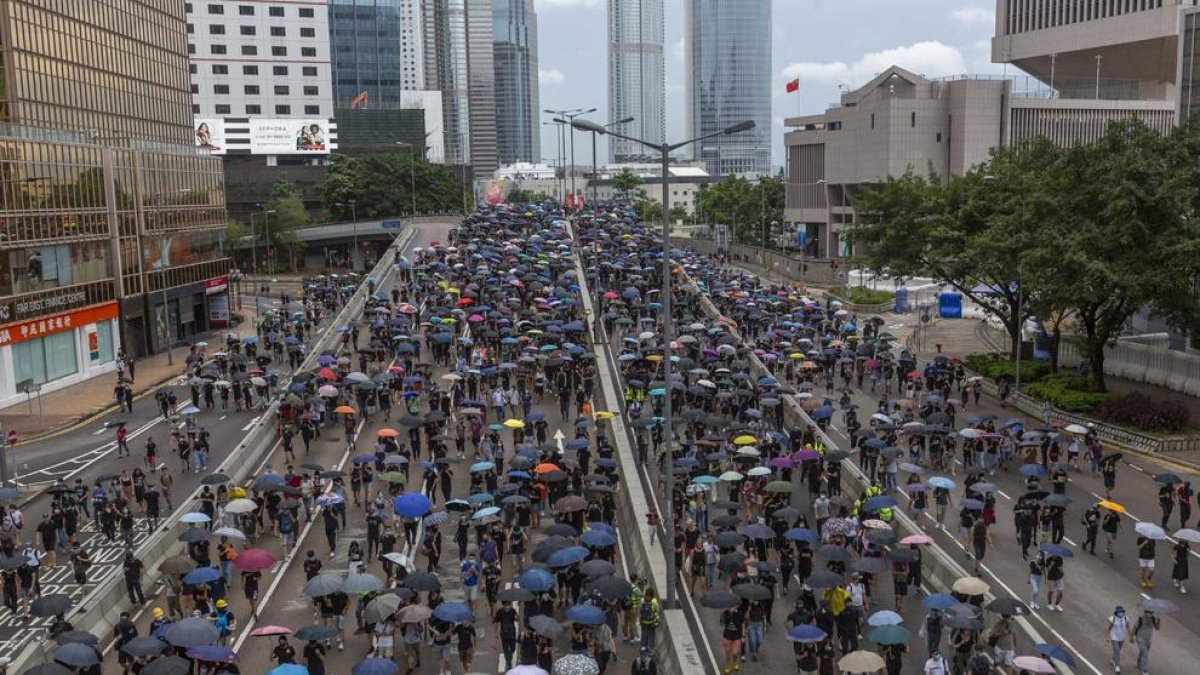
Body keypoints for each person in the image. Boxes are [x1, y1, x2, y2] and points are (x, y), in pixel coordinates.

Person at [719, 602, 745, 674]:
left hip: (736, 637)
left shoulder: (739, 614)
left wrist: (743, 636)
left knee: (735, 653)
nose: (732, 607)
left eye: (733, 606)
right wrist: (722, 618)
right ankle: (728, 666)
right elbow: (721, 624)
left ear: (736, 606)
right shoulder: (725, 613)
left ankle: (734, 662)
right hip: (727, 636)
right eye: (730, 606)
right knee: (727, 653)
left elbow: (742, 624)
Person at [1133, 607, 1159, 675]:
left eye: (1151, 612)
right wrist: (1131, 637)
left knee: (1142, 652)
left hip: (1148, 640)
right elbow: (1134, 627)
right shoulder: (1140, 619)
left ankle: (1138, 664)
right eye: (1148, 612)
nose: (1150, 614)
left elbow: (1157, 628)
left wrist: (1158, 622)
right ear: (1145, 612)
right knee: (1145, 654)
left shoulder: (1153, 619)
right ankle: (1145, 671)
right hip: (1140, 639)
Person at [1108, 605, 1133, 673]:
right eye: (1119, 612)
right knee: (1117, 651)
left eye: (1122, 612)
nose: (1120, 613)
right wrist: (1108, 637)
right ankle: (1117, 666)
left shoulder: (1126, 618)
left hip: (1122, 638)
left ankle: (1113, 660)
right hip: (1114, 638)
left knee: (1118, 651)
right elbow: (1108, 628)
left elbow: (1128, 627)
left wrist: (1131, 636)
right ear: (1116, 612)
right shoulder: (1112, 619)